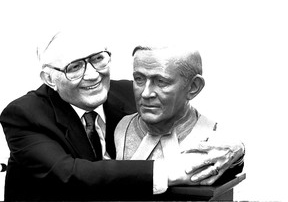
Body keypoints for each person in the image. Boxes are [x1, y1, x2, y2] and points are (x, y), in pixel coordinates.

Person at [0, 31, 244, 201]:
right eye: (74, 67)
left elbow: (197, 126)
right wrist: (167, 171)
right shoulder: (23, 115)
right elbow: (71, 174)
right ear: (49, 79)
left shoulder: (130, 93)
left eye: (97, 59)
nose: (93, 76)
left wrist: (237, 150)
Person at [115, 45, 244, 189]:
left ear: (193, 87)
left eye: (161, 82)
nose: (145, 93)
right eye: (139, 79)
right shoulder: (121, 126)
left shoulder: (214, 137)